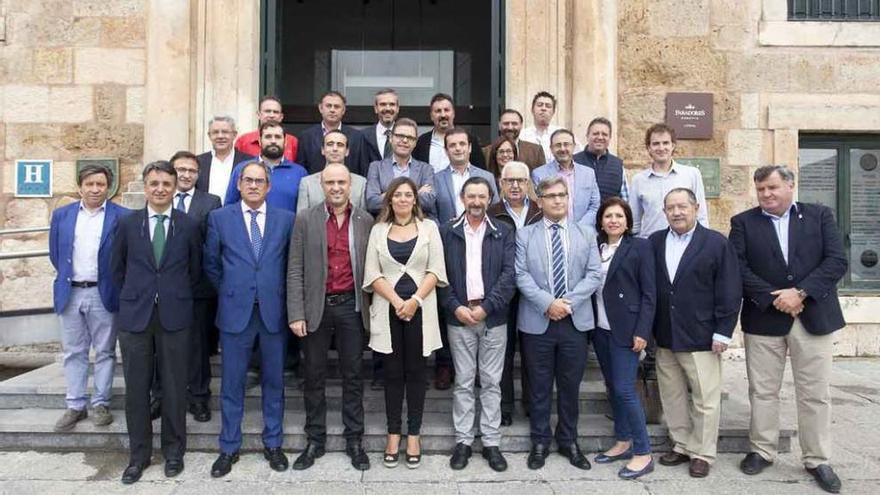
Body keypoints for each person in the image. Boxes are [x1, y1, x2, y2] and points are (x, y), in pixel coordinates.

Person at [729, 165, 847, 494]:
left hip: (814, 317)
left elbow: (836, 261)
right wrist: (774, 298)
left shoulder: (819, 215)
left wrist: (801, 293)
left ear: (790, 186)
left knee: (815, 394)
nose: (766, 194)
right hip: (764, 319)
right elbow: (737, 267)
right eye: (761, 189)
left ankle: (817, 459)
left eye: (772, 188)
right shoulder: (743, 223)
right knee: (762, 391)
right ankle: (762, 450)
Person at [111, 161, 202, 484]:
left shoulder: (188, 225)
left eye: (166, 183)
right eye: (154, 183)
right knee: (136, 390)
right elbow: (116, 269)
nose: (160, 189)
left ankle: (174, 452)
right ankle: (138, 456)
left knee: (175, 387)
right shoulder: (127, 223)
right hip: (136, 317)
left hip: (175, 316)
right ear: (145, 186)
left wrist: (173, 295)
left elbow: (195, 271)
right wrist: (135, 298)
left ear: (175, 186)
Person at [204, 161, 296, 478]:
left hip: (273, 313)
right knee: (232, 384)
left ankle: (274, 443)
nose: (254, 185)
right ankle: (229, 447)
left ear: (269, 187)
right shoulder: (219, 218)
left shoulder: (286, 220)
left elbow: (290, 265)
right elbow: (212, 265)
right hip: (235, 313)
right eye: (248, 180)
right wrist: (232, 291)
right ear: (239, 184)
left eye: (260, 181)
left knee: (274, 382)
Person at [648, 188, 741, 478]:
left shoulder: (715, 243)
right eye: (671, 208)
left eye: (682, 206)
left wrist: (723, 332)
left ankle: (702, 452)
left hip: (701, 334)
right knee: (672, 395)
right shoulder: (654, 242)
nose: (677, 212)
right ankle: (681, 444)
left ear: (696, 207)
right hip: (665, 334)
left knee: (705, 398)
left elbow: (729, 289)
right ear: (664, 212)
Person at [287, 163, 374, 472]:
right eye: (330, 182)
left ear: (350, 185)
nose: (336, 187)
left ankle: (354, 440)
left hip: (352, 307)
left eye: (341, 182)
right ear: (321, 185)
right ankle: (315, 440)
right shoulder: (305, 219)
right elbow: (294, 268)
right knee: (314, 376)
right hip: (316, 308)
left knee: (353, 376)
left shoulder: (365, 220)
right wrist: (296, 313)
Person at [516, 176, 601, 471]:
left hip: (574, 321)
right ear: (539, 201)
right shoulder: (525, 235)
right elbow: (520, 274)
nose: (557, 200)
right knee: (539, 386)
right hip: (538, 320)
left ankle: (568, 440)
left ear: (568, 198)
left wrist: (567, 303)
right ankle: (540, 440)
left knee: (569, 385)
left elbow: (593, 274)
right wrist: (547, 303)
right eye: (550, 196)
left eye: (562, 195)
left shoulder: (586, 233)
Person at [362, 177, 449, 469]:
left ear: (415, 200)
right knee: (392, 374)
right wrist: (399, 302)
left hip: (420, 310)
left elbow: (436, 270)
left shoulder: (429, 228)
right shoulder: (378, 230)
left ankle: (414, 433)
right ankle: (393, 432)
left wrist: (413, 301)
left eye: (407, 195)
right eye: (396, 194)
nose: (402, 199)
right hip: (389, 310)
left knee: (415, 373)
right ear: (389, 199)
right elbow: (372, 274)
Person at [441, 176, 516, 472]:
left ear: (489, 198)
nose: (475, 202)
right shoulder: (447, 232)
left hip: (493, 318)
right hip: (458, 317)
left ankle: (491, 442)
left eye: (481, 197)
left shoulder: (504, 231)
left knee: (491, 382)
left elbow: (510, 275)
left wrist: (486, 308)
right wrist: (456, 307)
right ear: (462, 198)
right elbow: (439, 274)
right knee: (462, 381)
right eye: (470, 196)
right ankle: (463, 441)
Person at [49, 164, 128, 433]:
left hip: (103, 292)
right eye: (90, 184)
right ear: (79, 186)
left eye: (101, 185)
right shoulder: (62, 215)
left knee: (105, 351)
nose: (95, 189)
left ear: (109, 187)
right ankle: (75, 405)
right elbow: (55, 254)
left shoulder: (122, 216)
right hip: (70, 291)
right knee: (74, 351)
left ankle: (100, 403)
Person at [590, 197, 656, 480]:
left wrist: (643, 331)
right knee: (612, 386)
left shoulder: (639, 247)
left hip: (627, 329)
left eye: (618, 216)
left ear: (628, 221)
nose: (613, 220)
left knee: (625, 388)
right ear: (601, 221)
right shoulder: (597, 247)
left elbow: (649, 294)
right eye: (608, 216)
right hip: (601, 328)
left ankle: (643, 452)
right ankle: (623, 440)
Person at [488, 161, 542, 426]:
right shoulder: (491, 212)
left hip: (534, 291)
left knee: (532, 351)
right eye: (510, 181)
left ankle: (532, 403)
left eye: (521, 180)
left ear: (529, 183)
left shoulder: (540, 212)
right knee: (504, 352)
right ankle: (504, 405)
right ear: (501, 183)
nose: (516, 185)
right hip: (502, 292)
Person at [170, 151, 222, 422]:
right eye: (180, 169)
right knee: (164, 347)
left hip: (198, 287)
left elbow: (211, 245)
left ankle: (199, 397)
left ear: (198, 174)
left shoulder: (210, 202)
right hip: (164, 289)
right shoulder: (160, 197)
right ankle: (163, 397)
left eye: (191, 170)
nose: (186, 174)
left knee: (199, 348)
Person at [631, 123, 708, 237]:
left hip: (686, 243)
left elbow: (701, 216)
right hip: (650, 245)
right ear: (649, 148)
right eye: (656, 144)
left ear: (673, 146)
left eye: (666, 143)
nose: (661, 148)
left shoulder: (691, 175)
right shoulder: (638, 180)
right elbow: (634, 223)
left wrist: (703, 243)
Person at [225, 122, 308, 211]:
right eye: (268, 137)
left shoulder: (299, 173)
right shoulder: (242, 169)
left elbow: (304, 211)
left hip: (287, 225)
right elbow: (229, 206)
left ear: (285, 142)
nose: (273, 141)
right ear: (260, 141)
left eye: (278, 137)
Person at [365, 117, 437, 220]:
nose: (404, 140)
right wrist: (416, 192)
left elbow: (428, 201)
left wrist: (386, 195)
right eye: (400, 136)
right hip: (386, 225)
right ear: (391, 138)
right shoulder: (376, 167)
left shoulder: (426, 169)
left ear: (415, 142)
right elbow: (372, 203)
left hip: (418, 226)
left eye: (410, 137)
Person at [295, 91, 379, 175]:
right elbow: (301, 169)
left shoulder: (357, 137)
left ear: (343, 110)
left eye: (336, 107)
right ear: (320, 108)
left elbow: (363, 168)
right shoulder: (306, 136)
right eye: (328, 106)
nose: (332, 110)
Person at [531, 129, 601, 229]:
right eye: (558, 145)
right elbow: (539, 207)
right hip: (552, 233)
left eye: (566, 144)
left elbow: (595, 205)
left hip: (584, 232)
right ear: (551, 148)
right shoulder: (539, 174)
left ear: (574, 147)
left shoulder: (588, 173)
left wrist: (579, 228)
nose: (563, 148)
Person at [413, 93, 486, 172]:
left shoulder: (469, 140)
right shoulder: (421, 142)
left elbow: (480, 172)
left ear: (453, 113)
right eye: (438, 111)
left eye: (446, 110)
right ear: (431, 116)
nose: (443, 115)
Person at [296, 130, 367, 211]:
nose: (335, 149)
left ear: (347, 151)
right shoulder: (307, 183)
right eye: (330, 144)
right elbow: (301, 220)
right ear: (323, 150)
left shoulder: (361, 183)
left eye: (340, 145)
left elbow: (363, 219)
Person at [196, 115, 255, 203]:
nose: (220, 136)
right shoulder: (198, 161)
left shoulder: (248, 162)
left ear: (234, 135)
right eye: (215, 132)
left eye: (225, 132)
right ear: (209, 135)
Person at [572, 117, 629, 202]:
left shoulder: (617, 165)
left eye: (604, 134)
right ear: (587, 136)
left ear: (610, 138)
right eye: (595, 134)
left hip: (608, 214)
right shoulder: (573, 162)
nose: (600, 137)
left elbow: (625, 200)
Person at [519, 91, 582, 162]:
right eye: (540, 105)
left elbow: (579, 155)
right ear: (532, 110)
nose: (543, 108)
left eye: (548, 106)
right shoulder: (523, 135)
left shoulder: (564, 134)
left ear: (553, 112)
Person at [234, 95, 299, 161]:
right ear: (259, 115)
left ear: (281, 117)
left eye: (275, 112)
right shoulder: (243, 141)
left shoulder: (292, 142)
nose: (271, 115)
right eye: (267, 111)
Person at [362, 88, 400, 160]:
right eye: (383, 104)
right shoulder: (363, 137)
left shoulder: (406, 136)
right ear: (376, 108)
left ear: (397, 108)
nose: (388, 109)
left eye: (392, 104)